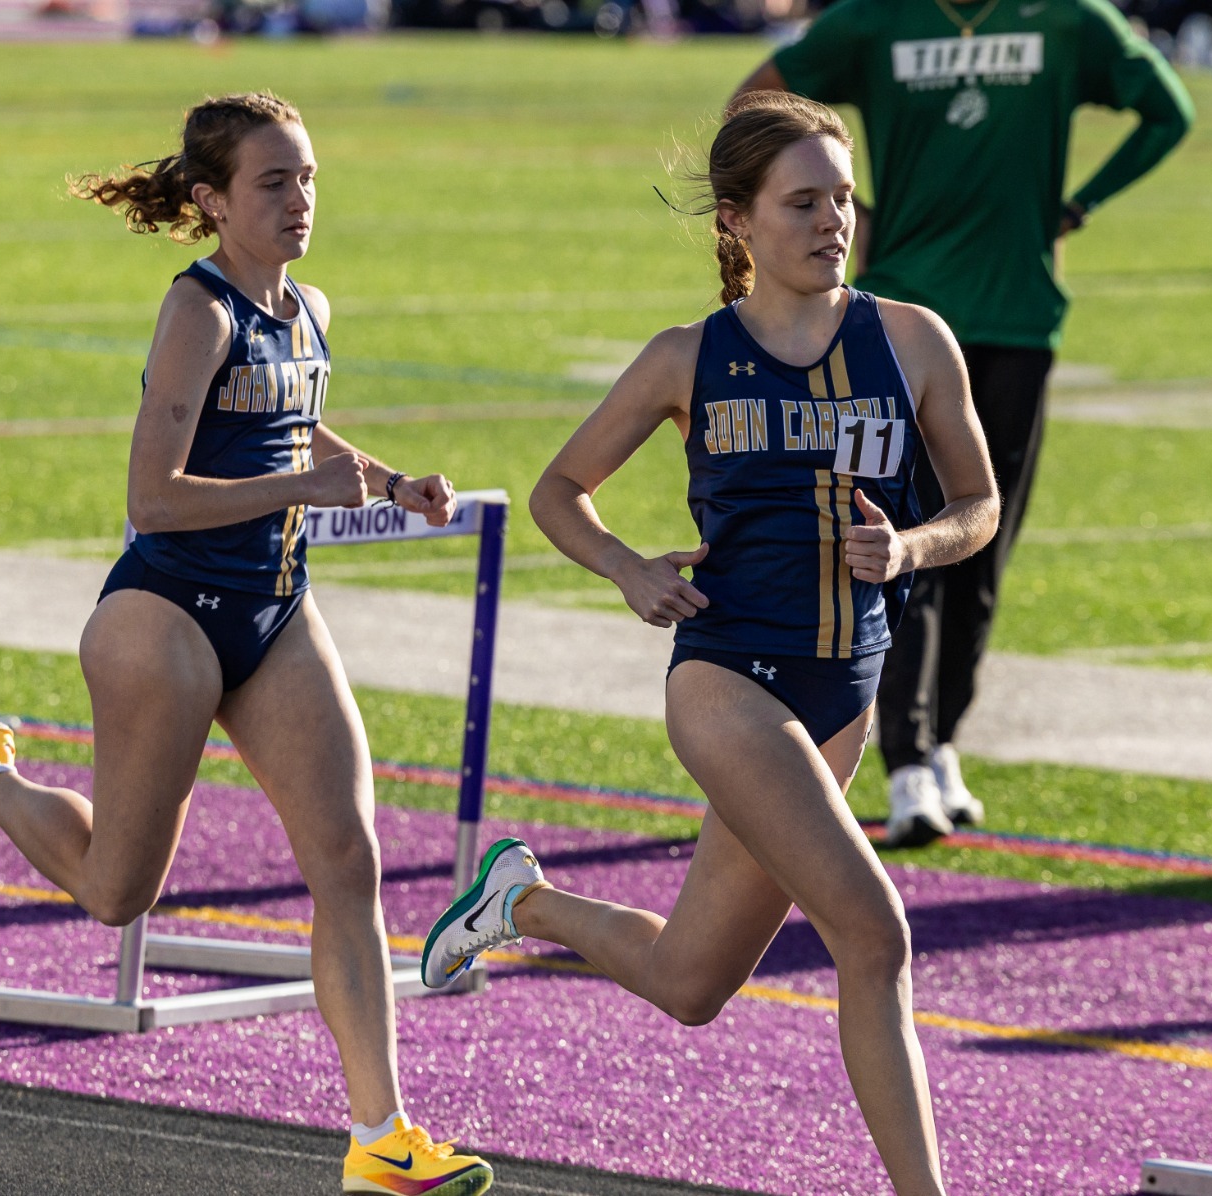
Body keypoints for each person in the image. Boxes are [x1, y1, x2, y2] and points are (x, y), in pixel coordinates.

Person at [0, 94, 495, 1196]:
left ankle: (380, 1136)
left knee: (346, 860)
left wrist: (390, 481)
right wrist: (304, 483)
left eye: (307, 177)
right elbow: (151, 500)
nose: (300, 199)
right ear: (211, 200)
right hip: (160, 618)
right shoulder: (196, 310)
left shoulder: (309, 310)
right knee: (119, 891)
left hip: (273, 608)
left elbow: (295, 421)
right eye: (273, 182)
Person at [420, 92, 999, 1194]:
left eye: (841, 198)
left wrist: (914, 547)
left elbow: (976, 504)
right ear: (735, 220)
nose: (832, 221)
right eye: (801, 202)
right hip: (729, 682)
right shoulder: (690, 357)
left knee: (689, 981)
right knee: (874, 936)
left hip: (844, 691)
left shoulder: (912, 339)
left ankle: (519, 901)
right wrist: (627, 567)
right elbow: (558, 491)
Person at [734, 0, 1194, 846]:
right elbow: (754, 108)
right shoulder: (874, 20)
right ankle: (904, 759)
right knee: (900, 540)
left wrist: (1080, 204)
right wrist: (847, 213)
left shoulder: (1069, 19)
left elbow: (1172, 112)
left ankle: (942, 740)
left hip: (1017, 316)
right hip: (904, 312)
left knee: (983, 545)